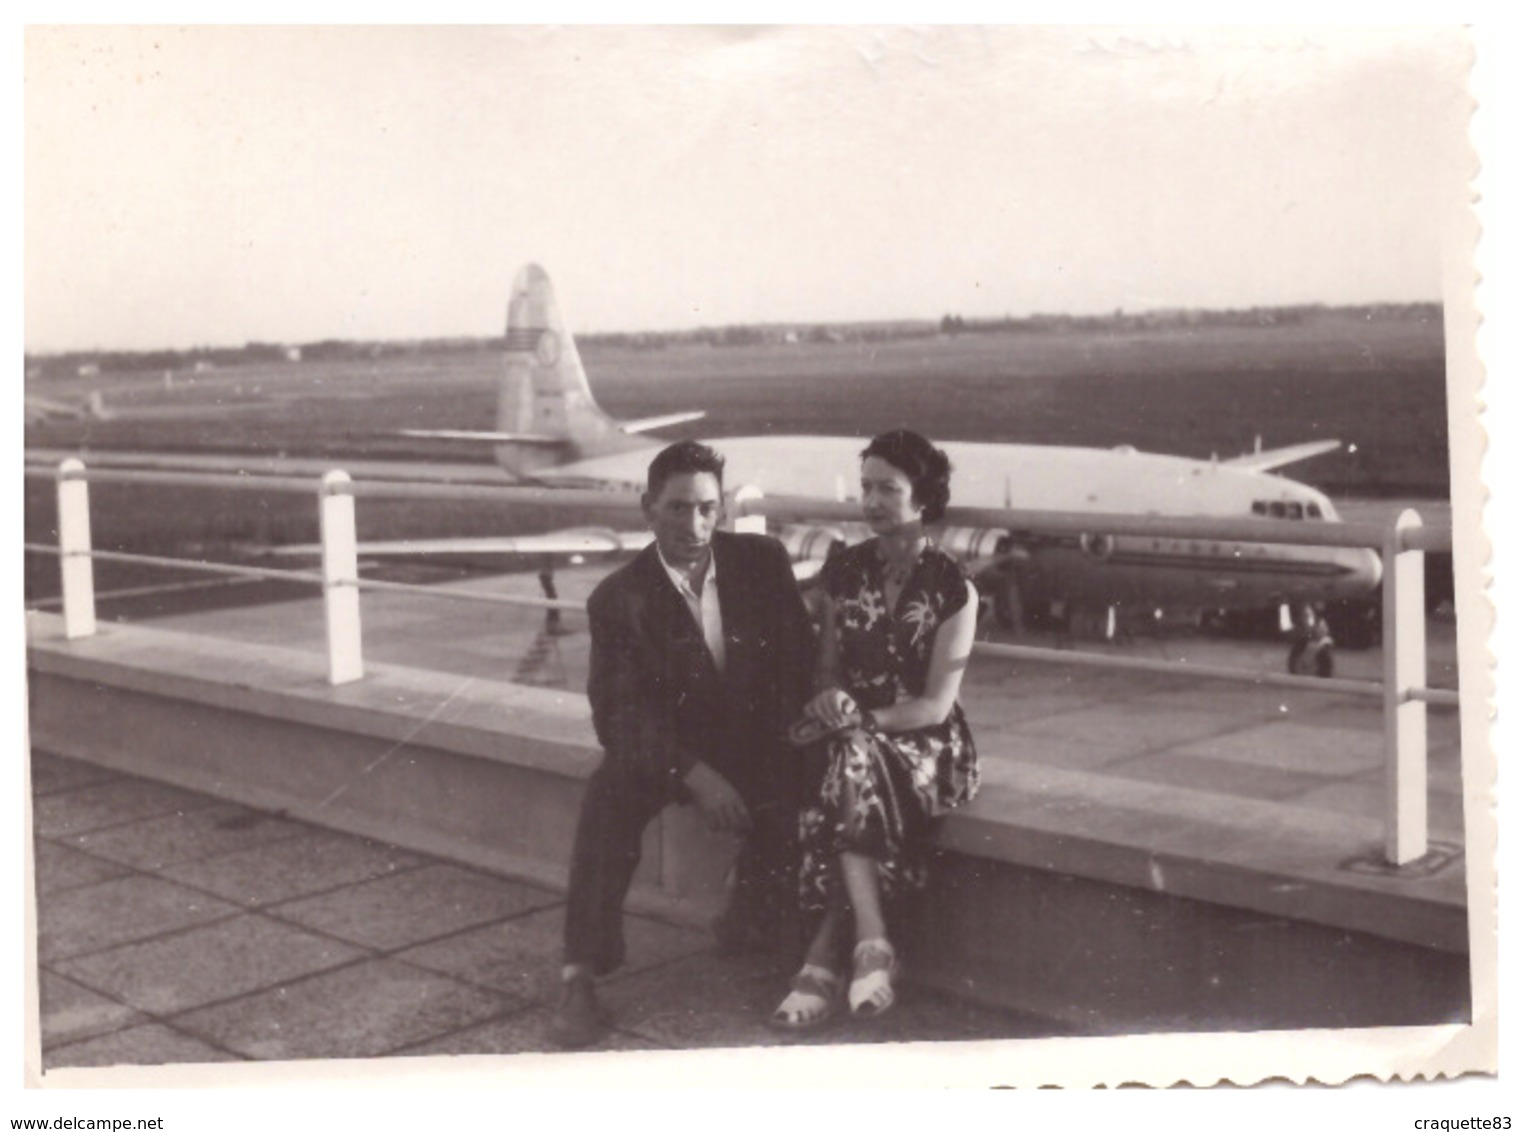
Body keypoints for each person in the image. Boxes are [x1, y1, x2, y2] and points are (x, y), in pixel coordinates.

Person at [550, 440, 815, 1048]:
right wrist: (696, 774)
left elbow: (797, 663)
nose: (692, 526)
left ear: (719, 509)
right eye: (676, 509)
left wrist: (789, 738)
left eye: (705, 508)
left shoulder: (762, 561)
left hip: (756, 740)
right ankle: (579, 976)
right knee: (608, 796)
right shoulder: (619, 598)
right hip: (675, 752)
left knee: (805, 782)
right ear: (648, 509)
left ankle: (755, 911)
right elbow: (616, 717)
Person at [770, 429, 981, 1031]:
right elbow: (827, 667)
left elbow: (937, 704)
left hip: (928, 743)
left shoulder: (953, 587)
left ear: (924, 497)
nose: (873, 500)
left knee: (847, 764)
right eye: (866, 487)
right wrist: (833, 697)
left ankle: (827, 954)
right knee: (842, 761)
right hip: (854, 733)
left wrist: (861, 721)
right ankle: (870, 943)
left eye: (889, 487)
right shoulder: (845, 570)